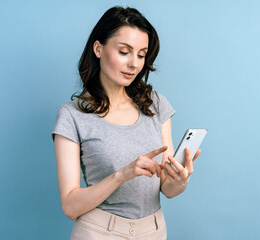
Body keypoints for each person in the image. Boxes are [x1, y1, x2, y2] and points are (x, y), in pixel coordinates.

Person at [51, 6, 201, 240]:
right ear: (98, 48)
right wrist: (122, 174)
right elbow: (70, 206)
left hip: (153, 231)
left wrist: (179, 182)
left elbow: (166, 188)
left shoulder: (155, 104)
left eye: (141, 54)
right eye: (124, 51)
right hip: (98, 232)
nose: (134, 64)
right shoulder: (72, 116)